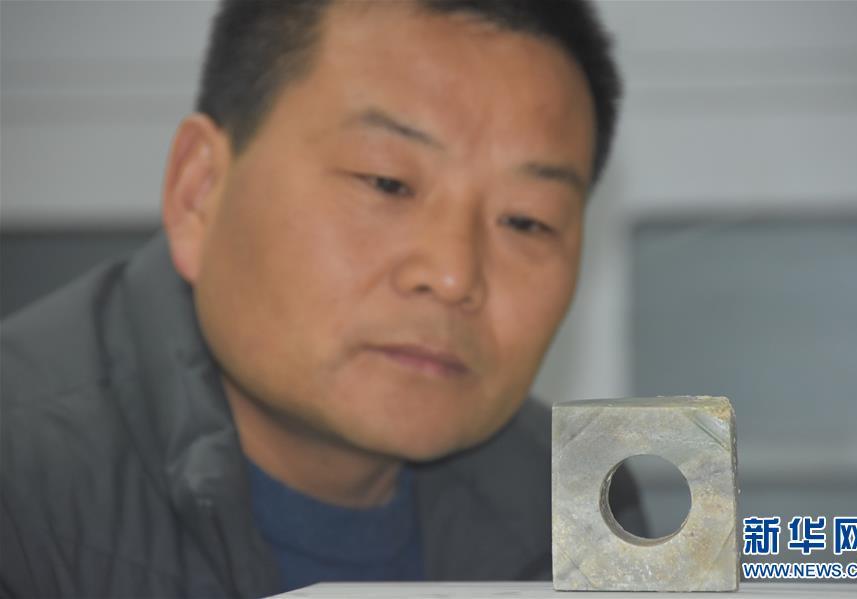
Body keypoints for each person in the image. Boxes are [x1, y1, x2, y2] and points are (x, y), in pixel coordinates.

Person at [0, 0, 645, 596]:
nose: (453, 275)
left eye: (528, 220)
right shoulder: (22, 485)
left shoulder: (576, 499)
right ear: (200, 192)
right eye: (386, 183)